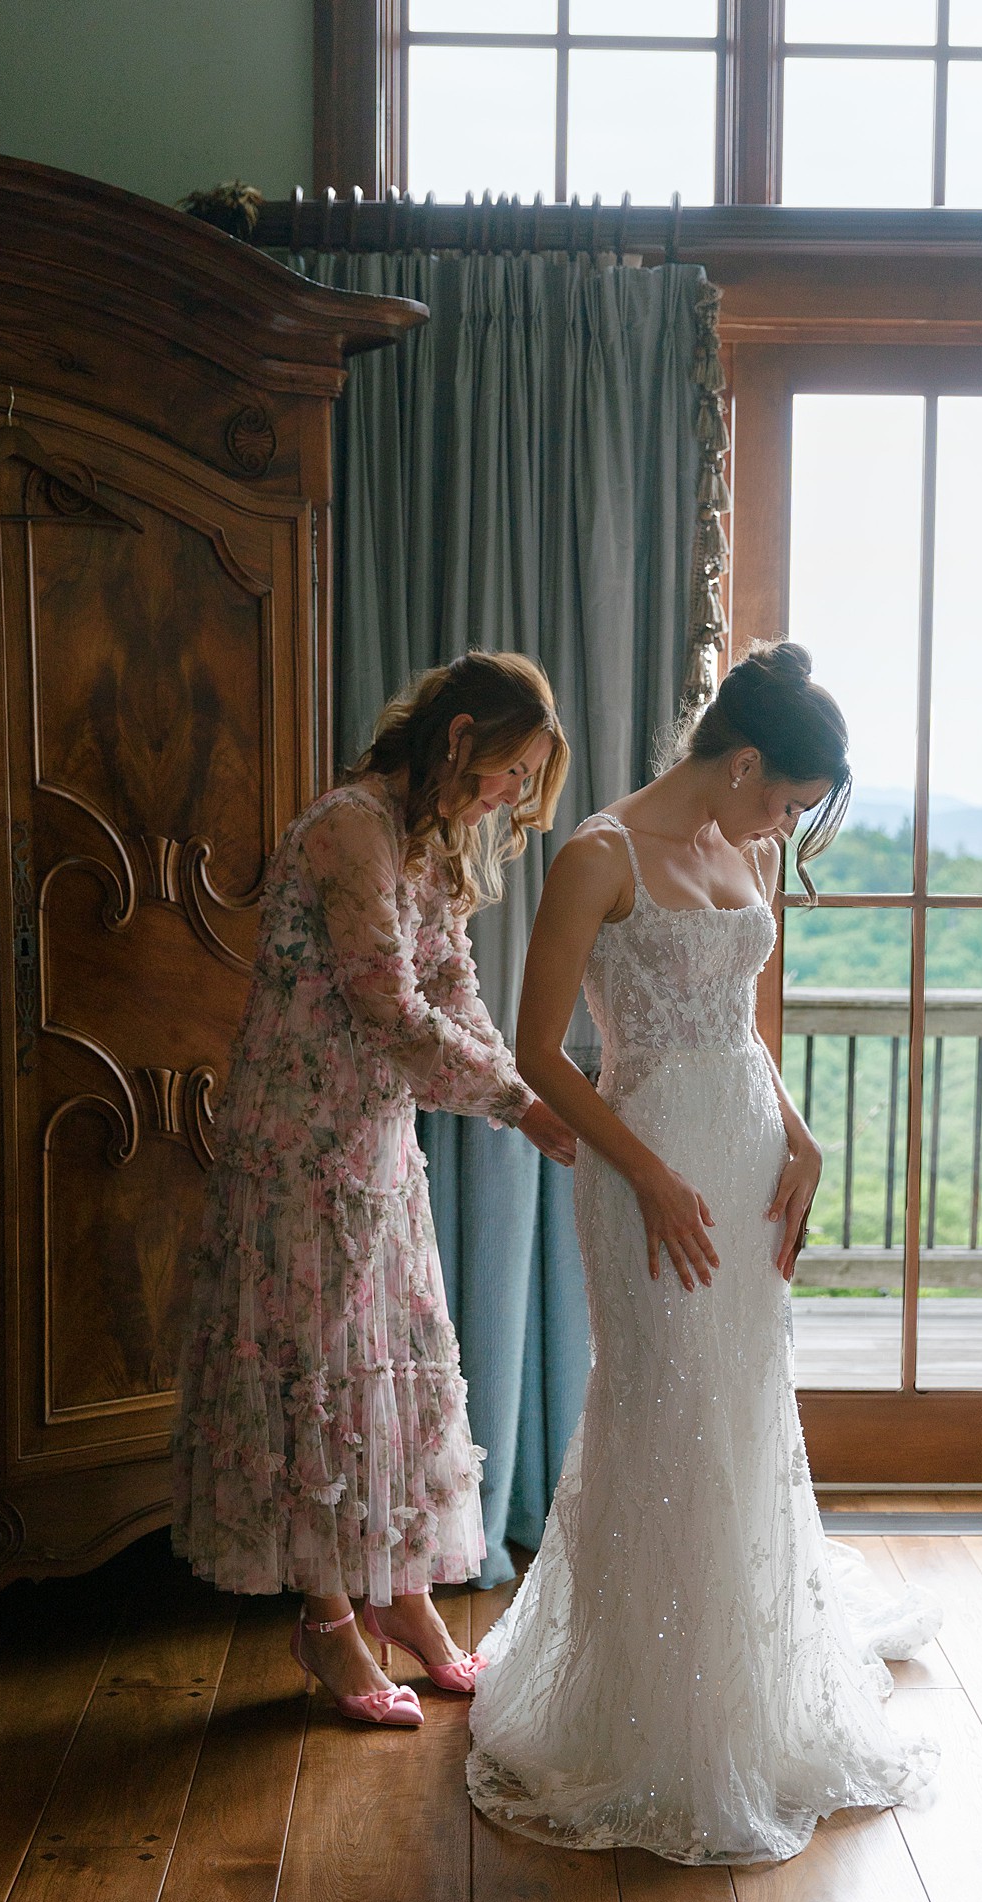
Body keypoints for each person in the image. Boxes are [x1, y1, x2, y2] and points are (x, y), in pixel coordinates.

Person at [466, 640, 940, 1861]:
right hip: (649, 1174)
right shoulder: (597, 857)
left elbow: (734, 1025)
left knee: (735, 1406)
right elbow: (539, 1053)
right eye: (783, 799)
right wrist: (650, 1177)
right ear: (739, 763)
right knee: (661, 1408)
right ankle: (649, 1707)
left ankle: (745, 1666)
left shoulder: (737, 847)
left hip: (738, 1153)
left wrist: (798, 1129)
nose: (783, 826)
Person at [173, 651, 576, 1728]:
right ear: (459, 741)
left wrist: (523, 1084)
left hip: (376, 1145)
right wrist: (518, 1108)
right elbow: (390, 1013)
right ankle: (327, 1619)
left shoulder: (428, 847)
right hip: (297, 1147)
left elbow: (456, 993)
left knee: (387, 1370)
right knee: (317, 1371)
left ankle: (403, 1596)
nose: (507, 798)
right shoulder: (350, 829)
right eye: (508, 772)